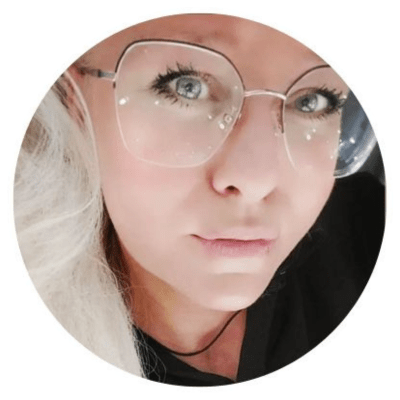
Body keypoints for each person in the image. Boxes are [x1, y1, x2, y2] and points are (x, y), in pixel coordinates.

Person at [14, 13, 385, 386]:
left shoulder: (369, 233)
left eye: (313, 101)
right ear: (76, 102)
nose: (255, 181)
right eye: (186, 86)